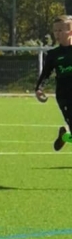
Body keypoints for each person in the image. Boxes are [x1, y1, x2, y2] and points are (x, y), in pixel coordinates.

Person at [35, 15, 72, 151]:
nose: (57, 34)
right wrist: (39, 88)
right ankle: (66, 135)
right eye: (55, 31)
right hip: (64, 96)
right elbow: (45, 74)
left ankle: (65, 135)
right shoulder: (53, 54)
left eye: (61, 30)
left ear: (70, 31)